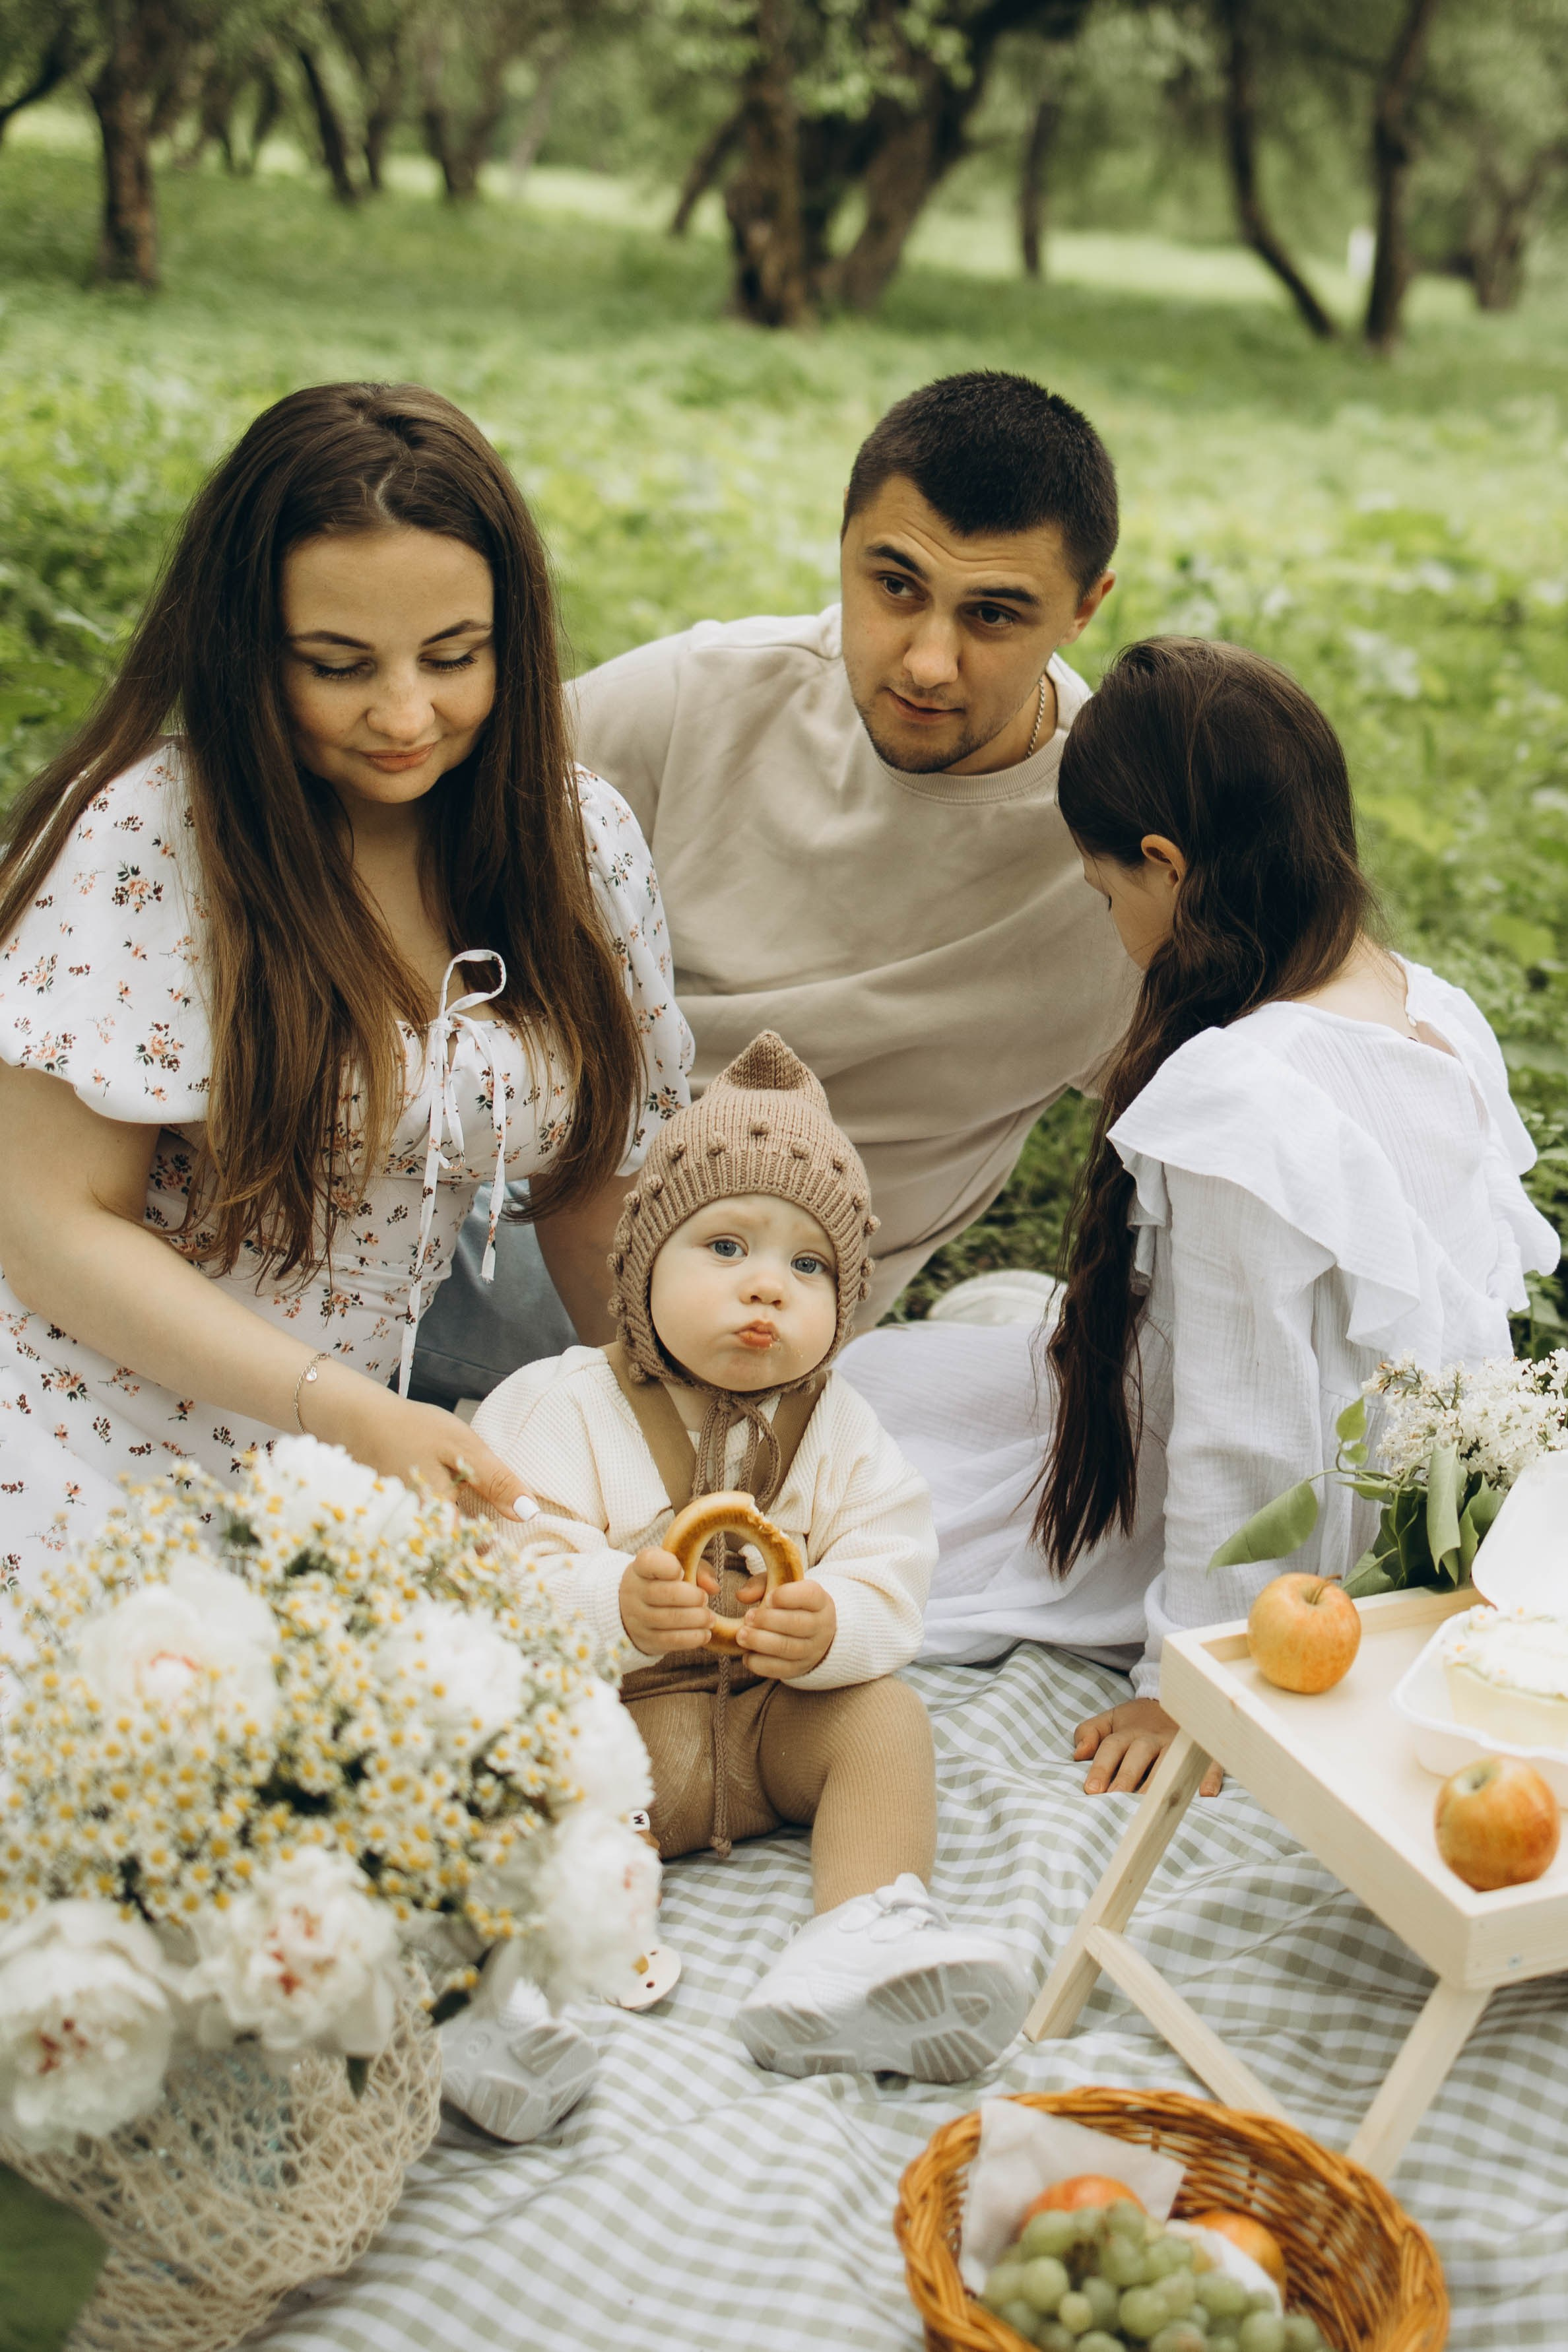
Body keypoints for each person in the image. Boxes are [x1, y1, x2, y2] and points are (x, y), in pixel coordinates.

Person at [0, 380, 691, 1584]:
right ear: (244, 652)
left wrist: (683, 1465)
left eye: (454, 656)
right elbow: (48, 1230)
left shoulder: (578, 844)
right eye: (338, 665)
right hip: (78, 1423)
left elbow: (597, 1203)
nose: (405, 714)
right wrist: (343, 1410)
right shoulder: (150, 838)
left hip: (352, 1457)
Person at [841, 637, 1561, 1793]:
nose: (1111, 920)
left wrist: (1194, 1682)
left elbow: (1246, 1429)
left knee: (868, 1472)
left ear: (1168, 868)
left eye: (1107, 893)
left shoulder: (1247, 1101)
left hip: (1291, 1541)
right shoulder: (1431, 1007)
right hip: (1410, 1490)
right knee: (884, 1382)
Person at [412, 370, 1134, 1404]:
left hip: (786, 1329)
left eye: (992, 614)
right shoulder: (703, 696)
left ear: (1084, 607)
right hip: (543, 1227)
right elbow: (411, 828)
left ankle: (986, 1346)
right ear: (843, 541)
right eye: (895, 586)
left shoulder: (1116, 841)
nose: (929, 662)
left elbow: (1276, 1060)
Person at [474, 1033, 1029, 2086]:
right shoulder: (563, 1406)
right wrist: (611, 1603)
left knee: (886, 1718)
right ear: (643, 1264)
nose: (768, 1287)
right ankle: (513, 1992)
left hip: (767, 1732)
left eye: (808, 1266)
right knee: (509, 1763)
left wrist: (833, 1622)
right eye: (726, 1247)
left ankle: (861, 1937)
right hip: (617, 1746)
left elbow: (894, 1561)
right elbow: (501, 1578)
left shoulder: (840, 1427)